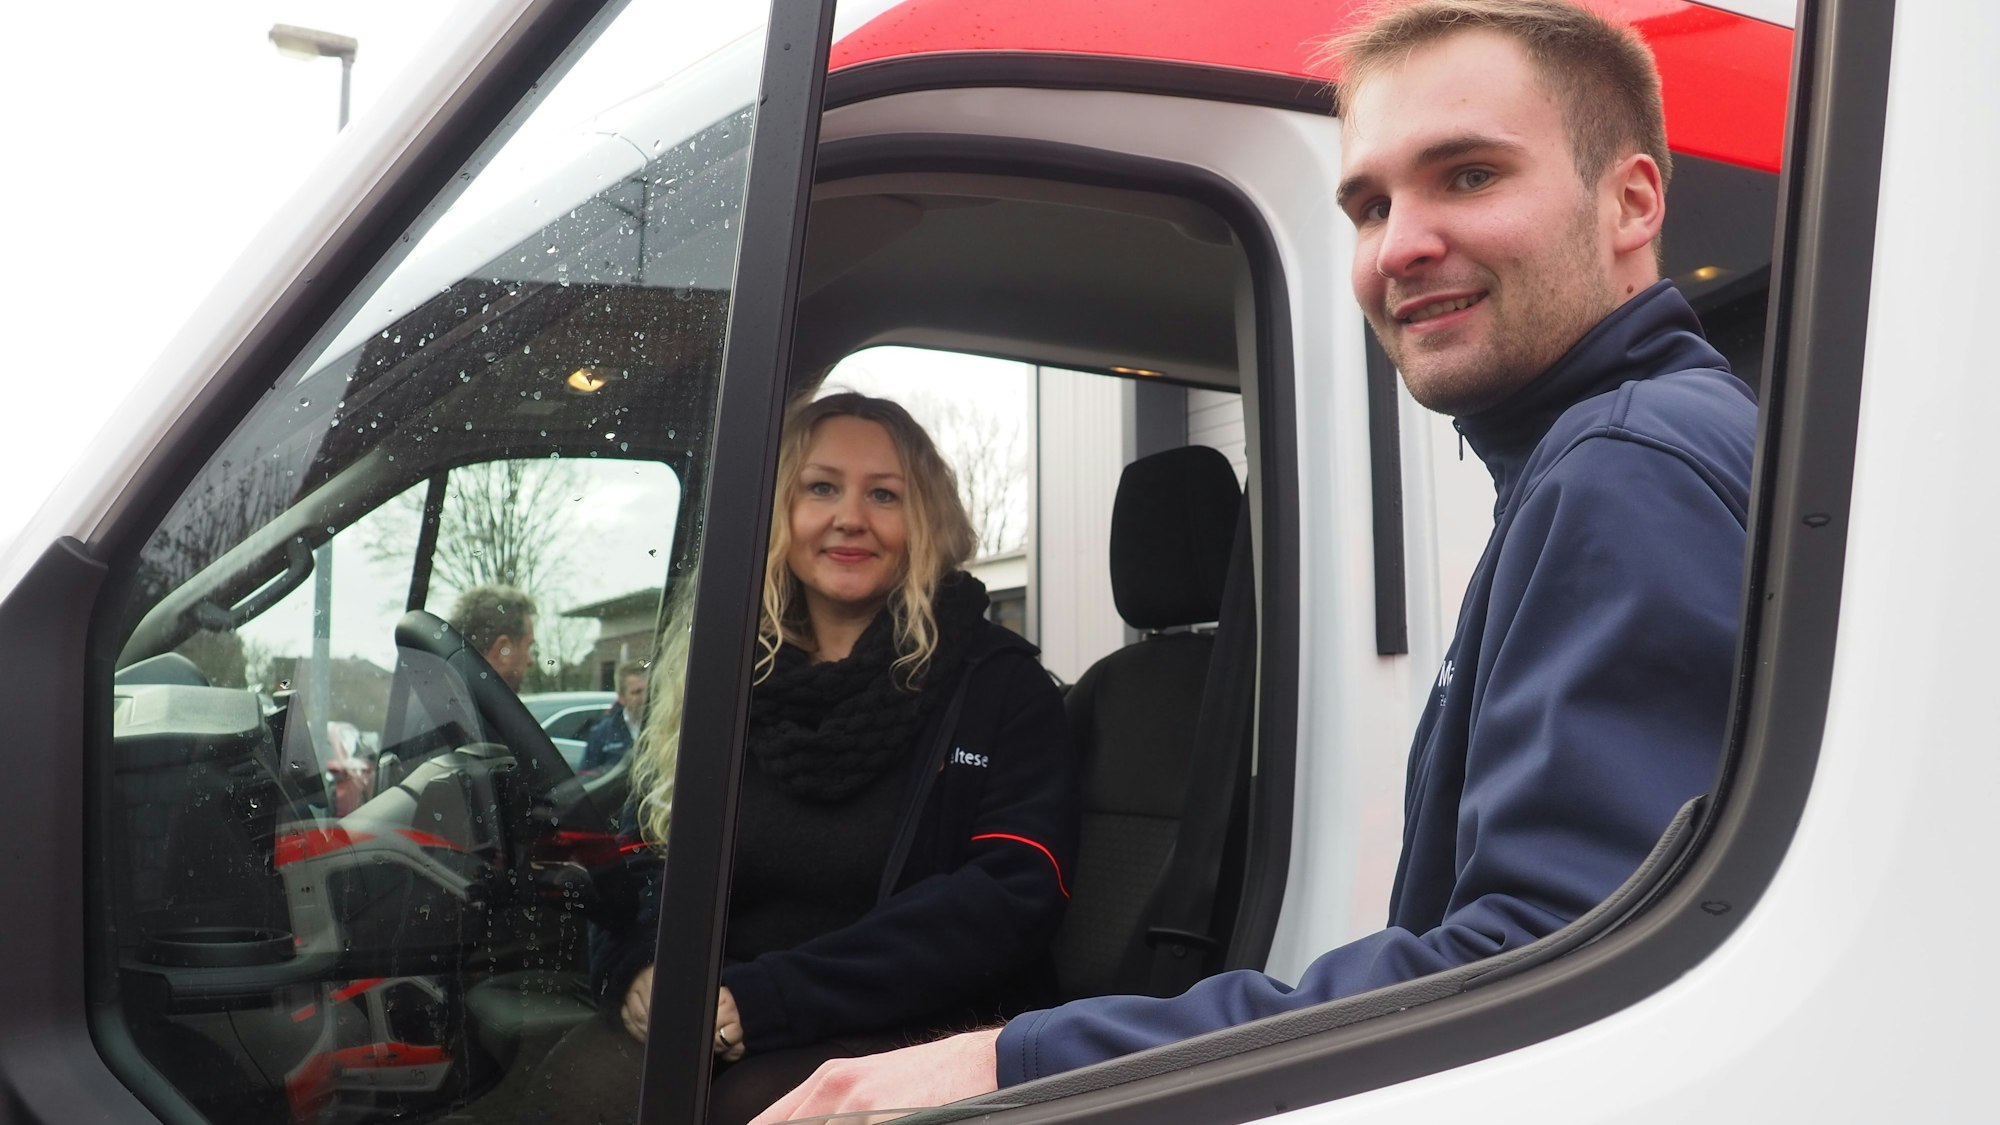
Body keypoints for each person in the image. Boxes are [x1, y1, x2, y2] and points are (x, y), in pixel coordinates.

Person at [751, 1, 1758, 1120]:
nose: (1399, 244)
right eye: (1368, 204)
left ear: (1630, 203)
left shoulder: (1620, 467)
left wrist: (1008, 1063)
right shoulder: (1601, 456)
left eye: (1467, 175)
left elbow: (1541, 974)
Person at [517, 392, 1079, 1125]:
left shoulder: (1001, 685)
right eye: (821, 487)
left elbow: (1008, 898)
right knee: (571, 1082)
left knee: (750, 1109)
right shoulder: (719, 676)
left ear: (925, 521)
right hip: (724, 1013)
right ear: (777, 510)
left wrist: (768, 1000)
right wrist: (639, 969)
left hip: (923, 1024)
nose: (850, 516)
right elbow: (644, 855)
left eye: (884, 494)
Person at [448, 583, 538, 691]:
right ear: (503, 649)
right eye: (528, 646)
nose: (531, 660)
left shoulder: (448, 695)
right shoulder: (477, 706)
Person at [580, 658, 649, 772]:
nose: (645, 697)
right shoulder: (602, 734)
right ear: (621, 697)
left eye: (648, 690)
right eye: (637, 692)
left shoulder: (667, 728)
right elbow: (586, 779)